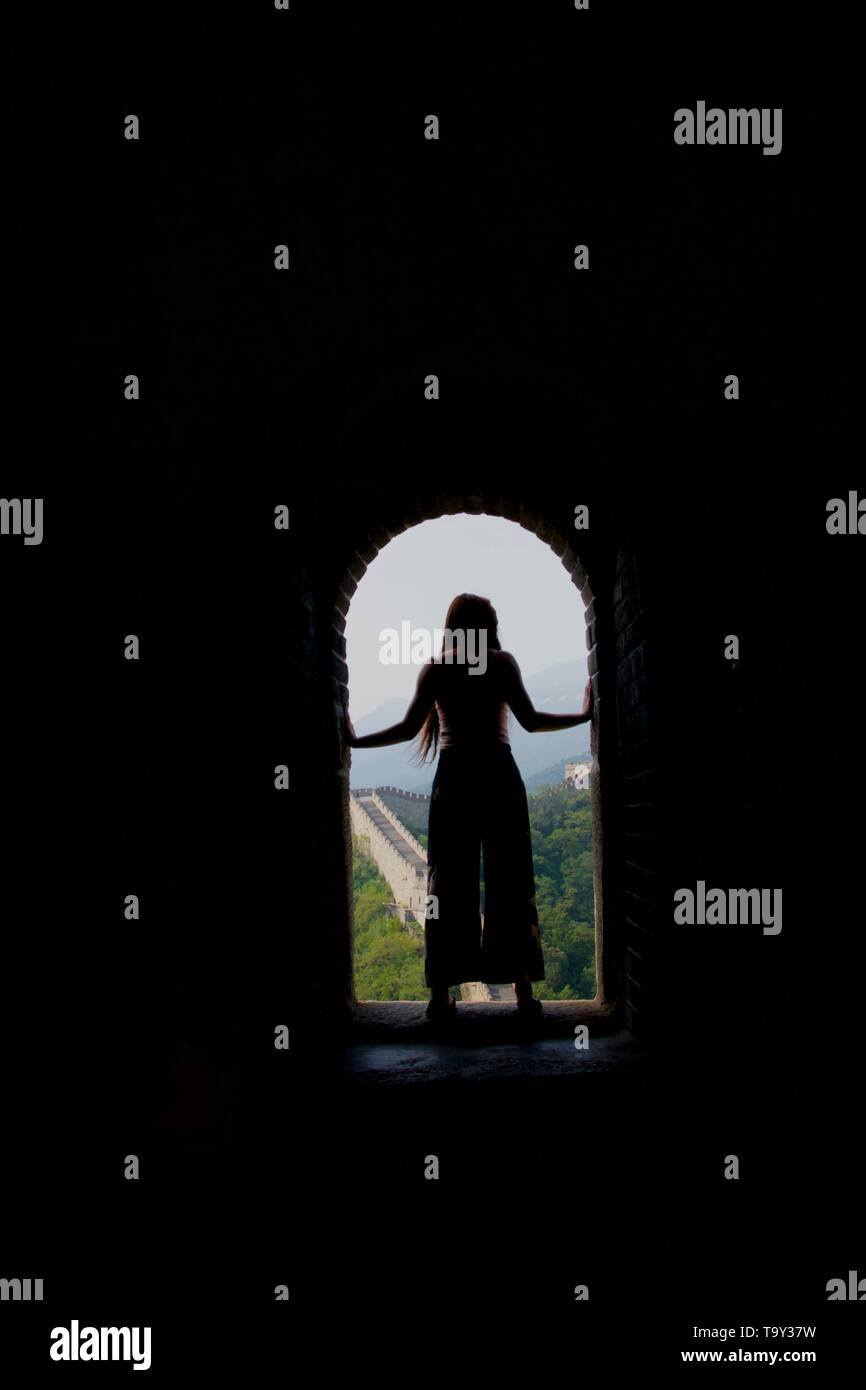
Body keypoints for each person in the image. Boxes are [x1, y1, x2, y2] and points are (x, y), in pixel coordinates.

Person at [343, 594, 593, 1022]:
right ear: (488, 625)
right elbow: (532, 721)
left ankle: (440, 997)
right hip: (499, 777)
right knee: (510, 881)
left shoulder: (436, 668)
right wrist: (584, 714)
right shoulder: (501, 662)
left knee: (446, 888)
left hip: (454, 781)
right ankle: (523, 994)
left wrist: (356, 740)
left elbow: (406, 728)